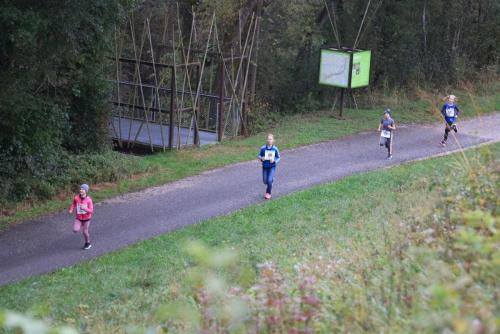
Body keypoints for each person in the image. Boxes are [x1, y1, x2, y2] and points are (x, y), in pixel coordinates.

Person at [69, 184, 94, 250]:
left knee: (85, 232)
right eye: (80, 189)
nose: (81, 190)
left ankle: (88, 243)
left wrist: (85, 208)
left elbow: (91, 211)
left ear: (86, 191)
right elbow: (73, 204)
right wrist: (71, 209)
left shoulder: (89, 200)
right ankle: (82, 227)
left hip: (87, 218)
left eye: (83, 189)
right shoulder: (76, 198)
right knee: (75, 230)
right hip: (79, 218)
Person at [258, 134, 280, 199]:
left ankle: (268, 193)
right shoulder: (263, 148)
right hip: (265, 166)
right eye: (268, 139)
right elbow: (259, 156)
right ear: (266, 140)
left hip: (272, 166)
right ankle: (271, 181)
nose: (269, 140)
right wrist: (261, 158)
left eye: (271, 139)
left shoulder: (275, 148)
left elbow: (278, 157)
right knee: (265, 181)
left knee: (269, 180)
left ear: (273, 140)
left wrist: (274, 160)